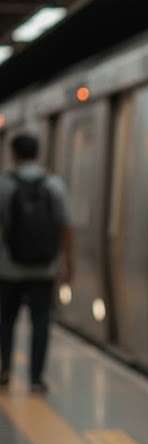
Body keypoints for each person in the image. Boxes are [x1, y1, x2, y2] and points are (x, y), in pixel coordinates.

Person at [0, 131, 74, 392]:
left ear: (14, 154)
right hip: (45, 267)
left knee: (6, 320)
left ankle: (4, 369)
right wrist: (68, 264)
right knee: (41, 321)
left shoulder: (4, 184)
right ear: (37, 153)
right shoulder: (54, 185)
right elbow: (66, 226)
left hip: (8, 268)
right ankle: (35, 378)